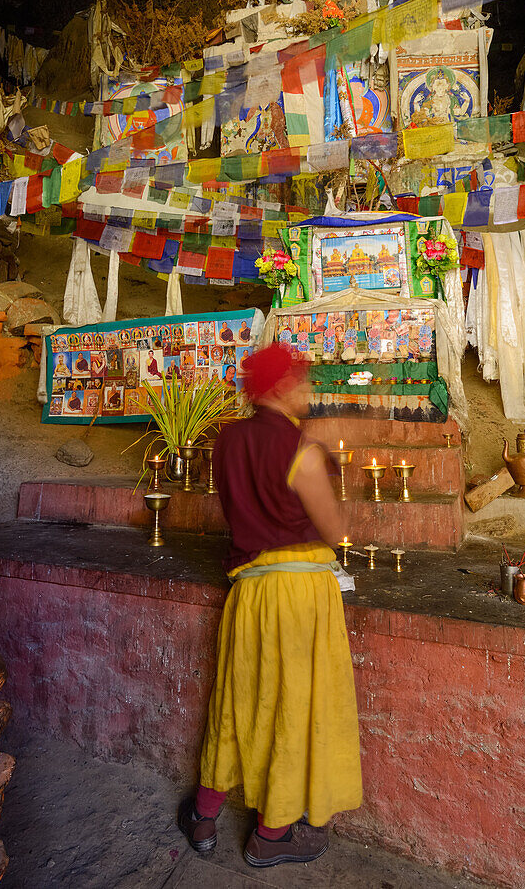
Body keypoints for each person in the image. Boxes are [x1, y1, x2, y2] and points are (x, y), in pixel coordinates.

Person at [178, 343, 361, 867]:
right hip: (300, 597)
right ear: (281, 388)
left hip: (249, 593)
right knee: (291, 709)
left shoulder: (227, 439)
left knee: (237, 701)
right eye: (300, 382)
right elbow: (335, 528)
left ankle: (206, 815)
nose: (306, 391)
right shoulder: (300, 449)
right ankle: (272, 834)